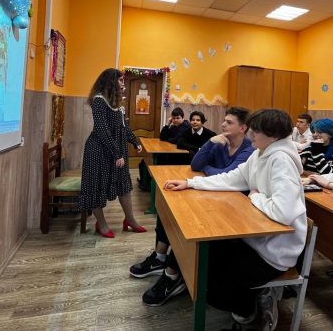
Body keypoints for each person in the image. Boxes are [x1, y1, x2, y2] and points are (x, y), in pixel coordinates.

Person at [161, 109, 307, 328]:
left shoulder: (281, 160)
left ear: (273, 136)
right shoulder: (260, 153)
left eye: (256, 131)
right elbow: (232, 178)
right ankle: (248, 301)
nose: (250, 134)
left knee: (212, 280)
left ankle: (248, 312)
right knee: (205, 258)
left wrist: (255, 197)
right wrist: (191, 183)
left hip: (274, 253)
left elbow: (283, 212)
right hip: (255, 240)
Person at [130, 107, 255, 304]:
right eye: (224, 121)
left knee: (188, 224)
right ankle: (159, 257)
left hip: (234, 207)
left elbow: (229, 176)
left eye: (229, 122)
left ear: (243, 128)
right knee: (171, 208)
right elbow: (196, 165)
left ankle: (173, 275)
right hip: (214, 194)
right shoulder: (220, 142)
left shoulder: (249, 150)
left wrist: (208, 169)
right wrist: (209, 143)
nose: (223, 124)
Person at [78, 68, 146, 238]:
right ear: (111, 82)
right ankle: (101, 224)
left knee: (124, 185)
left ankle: (130, 220)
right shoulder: (99, 101)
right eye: (121, 80)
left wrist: (135, 141)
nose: (123, 83)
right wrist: (117, 154)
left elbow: (124, 127)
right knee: (96, 187)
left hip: (115, 151)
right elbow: (102, 129)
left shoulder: (117, 104)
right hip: (98, 151)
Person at [137, 107, 191, 190]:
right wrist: (167, 124)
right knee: (144, 161)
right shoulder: (174, 126)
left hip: (180, 156)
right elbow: (162, 137)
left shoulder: (185, 126)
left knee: (153, 162)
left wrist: (168, 139)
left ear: (183, 118)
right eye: (173, 118)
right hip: (171, 152)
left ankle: (149, 185)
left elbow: (176, 140)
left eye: (178, 118)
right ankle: (145, 183)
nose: (175, 120)